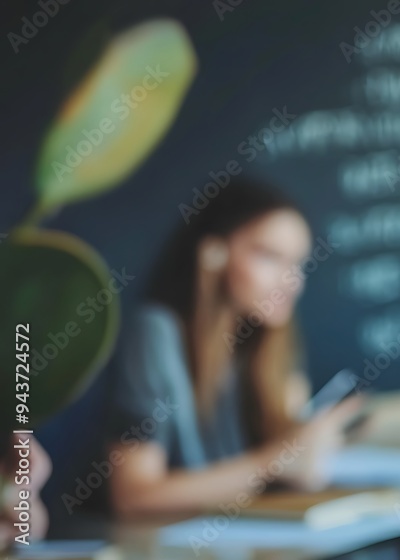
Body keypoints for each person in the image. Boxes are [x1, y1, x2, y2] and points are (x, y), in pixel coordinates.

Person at [106, 180, 363, 516]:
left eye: (297, 264)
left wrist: (301, 442)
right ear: (214, 253)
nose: (292, 282)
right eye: (270, 257)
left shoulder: (260, 341)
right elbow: (133, 495)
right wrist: (275, 461)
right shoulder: (157, 333)